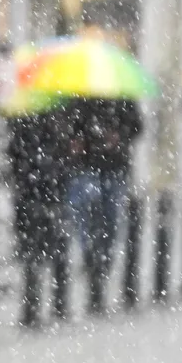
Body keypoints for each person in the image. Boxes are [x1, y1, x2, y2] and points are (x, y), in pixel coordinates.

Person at [64, 97, 143, 314]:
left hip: (113, 167)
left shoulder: (121, 97)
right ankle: (92, 262)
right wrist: (76, 140)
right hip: (86, 166)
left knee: (110, 221)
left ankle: (102, 265)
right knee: (85, 216)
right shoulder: (79, 96)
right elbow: (68, 125)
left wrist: (119, 135)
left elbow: (137, 126)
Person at [6, 107, 72, 327]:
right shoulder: (29, 117)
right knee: (38, 250)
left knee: (44, 249)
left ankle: (46, 304)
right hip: (37, 192)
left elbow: (15, 155)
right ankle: (42, 304)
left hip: (44, 192)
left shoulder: (52, 116)